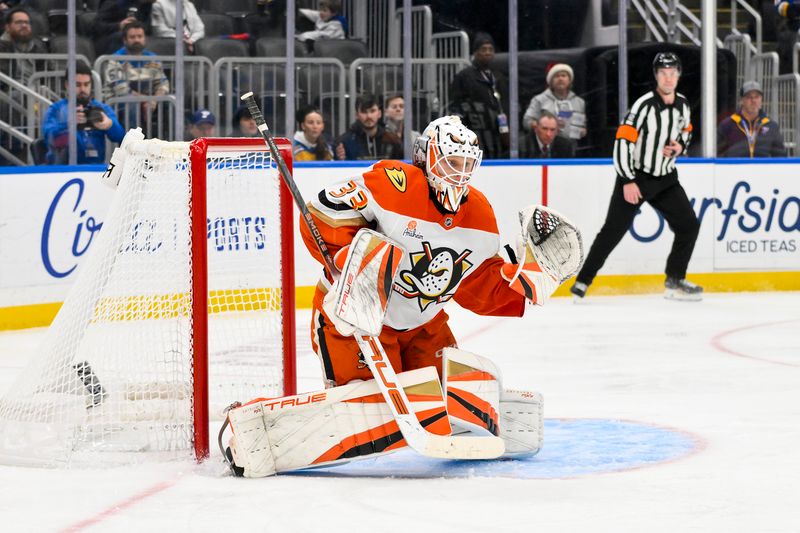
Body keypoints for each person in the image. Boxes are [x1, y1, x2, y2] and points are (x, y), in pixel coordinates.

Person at [220, 115, 581, 477]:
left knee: (443, 399)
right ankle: (251, 422)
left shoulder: (480, 214)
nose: (459, 173)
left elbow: (474, 285)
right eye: (451, 161)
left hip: (424, 327)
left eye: (467, 163)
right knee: (366, 410)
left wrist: (521, 279)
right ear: (426, 157)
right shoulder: (395, 184)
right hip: (357, 321)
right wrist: (350, 257)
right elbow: (322, 212)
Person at [570, 52, 702, 301]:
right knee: (613, 230)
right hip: (636, 177)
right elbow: (622, 142)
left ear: (679, 76)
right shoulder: (643, 106)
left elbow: (686, 130)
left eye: (672, 73)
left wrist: (680, 147)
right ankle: (583, 282)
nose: (668, 78)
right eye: (663, 73)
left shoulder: (683, 104)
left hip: (665, 178)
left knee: (688, 226)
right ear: (656, 76)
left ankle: (675, 280)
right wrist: (628, 180)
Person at [42, 62, 126, 165]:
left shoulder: (101, 109)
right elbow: (48, 137)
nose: (83, 89)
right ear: (67, 85)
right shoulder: (56, 109)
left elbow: (121, 136)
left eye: (86, 84)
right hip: (62, 168)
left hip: (94, 168)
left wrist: (109, 124)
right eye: (77, 85)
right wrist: (68, 124)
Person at [448, 32, 509, 159]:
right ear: (475, 53)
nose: (487, 53)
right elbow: (456, 106)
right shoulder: (464, 76)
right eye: (483, 49)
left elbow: (506, 102)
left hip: (497, 133)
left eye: (490, 49)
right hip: (475, 132)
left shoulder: (498, 76)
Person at [103, 21, 170, 132]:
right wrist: (146, 100)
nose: (137, 40)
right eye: (132, 37)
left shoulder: (152, 58)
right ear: (125, 40)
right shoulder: (115, 59)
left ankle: (170, 140)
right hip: (117, 103)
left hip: (147, 100)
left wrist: (154, 100)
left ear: (145, 39)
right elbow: (121, 90)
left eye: (140, 36)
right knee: (132, 102)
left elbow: (162, 84)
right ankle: (132, 142)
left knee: (170, 102)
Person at [717, 81, 787, 158]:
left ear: (761, 100)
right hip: (736, 165)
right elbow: (718, 153)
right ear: (741, 101)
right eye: (749, 97)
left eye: (757, 97)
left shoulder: (771, 126)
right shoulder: (727, 125)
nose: (753, 101)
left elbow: (780, 156)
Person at [523, 63, 587, 142]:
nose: (560, 79)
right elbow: (527, 121)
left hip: (572, 146)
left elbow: (582, 126)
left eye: (563, 75)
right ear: (551, 82)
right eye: (556, 76)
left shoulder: (580, 102)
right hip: (546, 145)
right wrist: (542, 126)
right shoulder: (539, 100)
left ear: (570, 80)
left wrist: (582, 130)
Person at [334, 93, 402, 160]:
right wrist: (340, 160)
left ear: (379, 113)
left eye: (372, 111)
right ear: (357, 115)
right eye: (364, 112)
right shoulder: (345, 142)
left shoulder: (392, 140)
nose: (369, 116)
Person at [0, 7, 47, 84]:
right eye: (19, 22)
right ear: (7, 27)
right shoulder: (2, 47)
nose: (24, 25)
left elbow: (48, 73)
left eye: (27, 22)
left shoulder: (38, 46)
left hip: (35, 89)